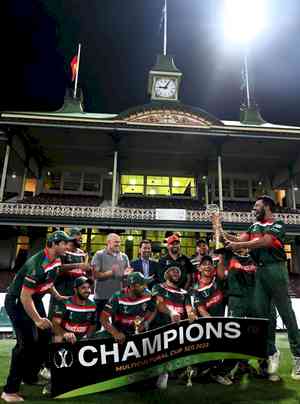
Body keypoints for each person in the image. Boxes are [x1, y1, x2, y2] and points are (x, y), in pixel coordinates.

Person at [223, 195, 300, 381]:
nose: (253, 210)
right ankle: (272, 352)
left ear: (267, 207)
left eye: (256, 206)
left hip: (276, 270)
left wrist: (239, 244)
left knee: (286, 314)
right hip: (260, 272)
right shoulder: (253, 226)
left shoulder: (278, 224)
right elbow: (238, 239)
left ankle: (298, 356)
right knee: (262, 315)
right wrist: (221, 232)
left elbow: (265, 241)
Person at [1, 231, 71, 403]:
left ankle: (30, 377)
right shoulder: (37, 265)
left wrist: (57, 295)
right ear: (53, 244)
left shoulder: (56, 259)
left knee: (44, 337)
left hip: (34, 298)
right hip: (18, 302)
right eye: (64, 243)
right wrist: (37, 320)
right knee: (24, 345)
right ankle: (9, 391)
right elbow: (25, 297)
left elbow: (48, 281)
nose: (67, 246)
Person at [152, 266, 196, 389]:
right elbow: (159, 304)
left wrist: (191, 313)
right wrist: (171, 312)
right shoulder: (158, 287)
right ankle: (161, 374)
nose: (176, 273)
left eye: (178, 271)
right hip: (161, 329)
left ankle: (178, 373)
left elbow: (188, 307)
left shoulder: (184, 292)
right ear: (166, 274)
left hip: (178, 331)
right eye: (173, 270)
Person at [191, 255, 232, 385]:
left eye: (209, 264)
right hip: (206, 327)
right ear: (199, 268)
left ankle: (220, 372)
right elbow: (201, 310)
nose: (207, 266)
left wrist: (221, 255)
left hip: (221, 324)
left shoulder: (218, 281)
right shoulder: (195, 288)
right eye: (204, 264)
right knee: (208, 355)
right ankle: (206, 371)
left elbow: (221, 267)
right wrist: (214, 325)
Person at [99, 272, 156, 342]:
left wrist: (146, 322)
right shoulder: (117, 297)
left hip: (138, 330)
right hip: (120, 331)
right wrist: (115, 333)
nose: (145, 287)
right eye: (141, 285)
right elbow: (103, 318)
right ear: (132, 287)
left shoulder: (148, 294)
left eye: (145, 284)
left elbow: (153, 309)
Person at [91, 233, 132, 329]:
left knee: (118, 326)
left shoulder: (124, 256)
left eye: (119, 242)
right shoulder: (99, 255)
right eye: (116, 242)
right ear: (108, 242)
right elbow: (95, 275)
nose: (118, 244)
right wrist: (112, 272)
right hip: (101, 297)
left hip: (117, 298)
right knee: (97, 326)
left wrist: (127, 275)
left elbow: (127, 275)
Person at [48, 228, 90, 318]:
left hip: (75, 293)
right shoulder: (62, 251)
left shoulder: (81, 253)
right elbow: (58, 269)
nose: (81, 237)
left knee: (72, 319)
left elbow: (82, 271)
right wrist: (78, 265)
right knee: (57, 318)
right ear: (71, 237)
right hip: (61, 291)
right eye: (78, 235)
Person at [52, 276, 96, 343]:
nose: (87, 290)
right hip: (66, 338)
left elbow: (93, 324)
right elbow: (55, 323)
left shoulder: (93, 306)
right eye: (83, 288)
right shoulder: (65, 302)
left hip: (82, 339)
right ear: (75, 290)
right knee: (57, 338)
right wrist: (64, 334)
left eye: (89, 287)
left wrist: (87, 337)